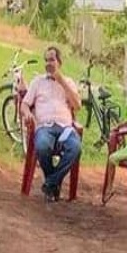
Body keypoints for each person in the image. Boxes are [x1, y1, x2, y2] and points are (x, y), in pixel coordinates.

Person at [20, 46, 83, 202]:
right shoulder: (37, 82)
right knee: (41, 146)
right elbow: (24, 104)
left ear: (59, 62)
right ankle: (53, 184)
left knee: (75, 148)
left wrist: (61, 81)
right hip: (45, 127)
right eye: (46, 60)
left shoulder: (68, 82)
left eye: (52, 60)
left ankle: (50, 183)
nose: (48, 63)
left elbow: (77, 106)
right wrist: (27, 113)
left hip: (65, 128)